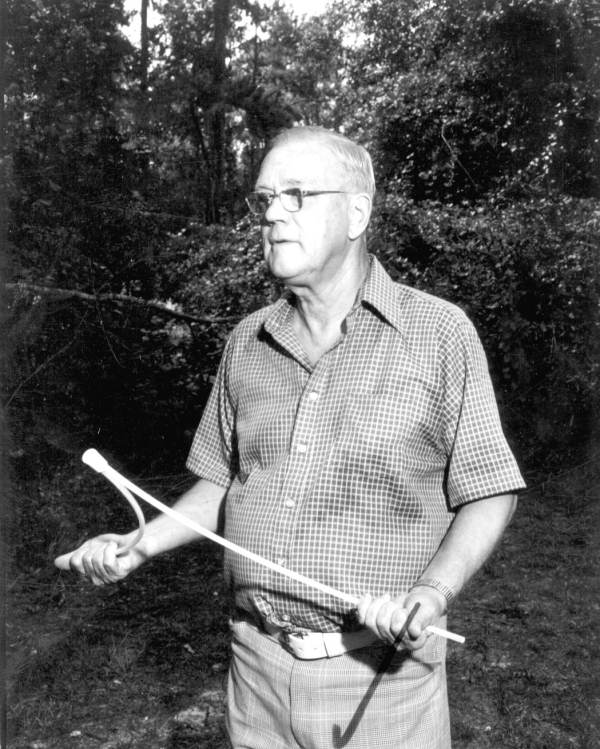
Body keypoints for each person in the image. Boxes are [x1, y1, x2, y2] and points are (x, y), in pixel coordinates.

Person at [56, 126, 526, 748]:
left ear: (356, 212)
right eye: (264, 198)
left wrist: (430, 593)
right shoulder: (246, 343)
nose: (273, 212)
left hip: (382, 683)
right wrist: (137, 544)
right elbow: (219, 484)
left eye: (297, 194)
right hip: (255, 672)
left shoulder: (440, 333)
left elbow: (491, 490)